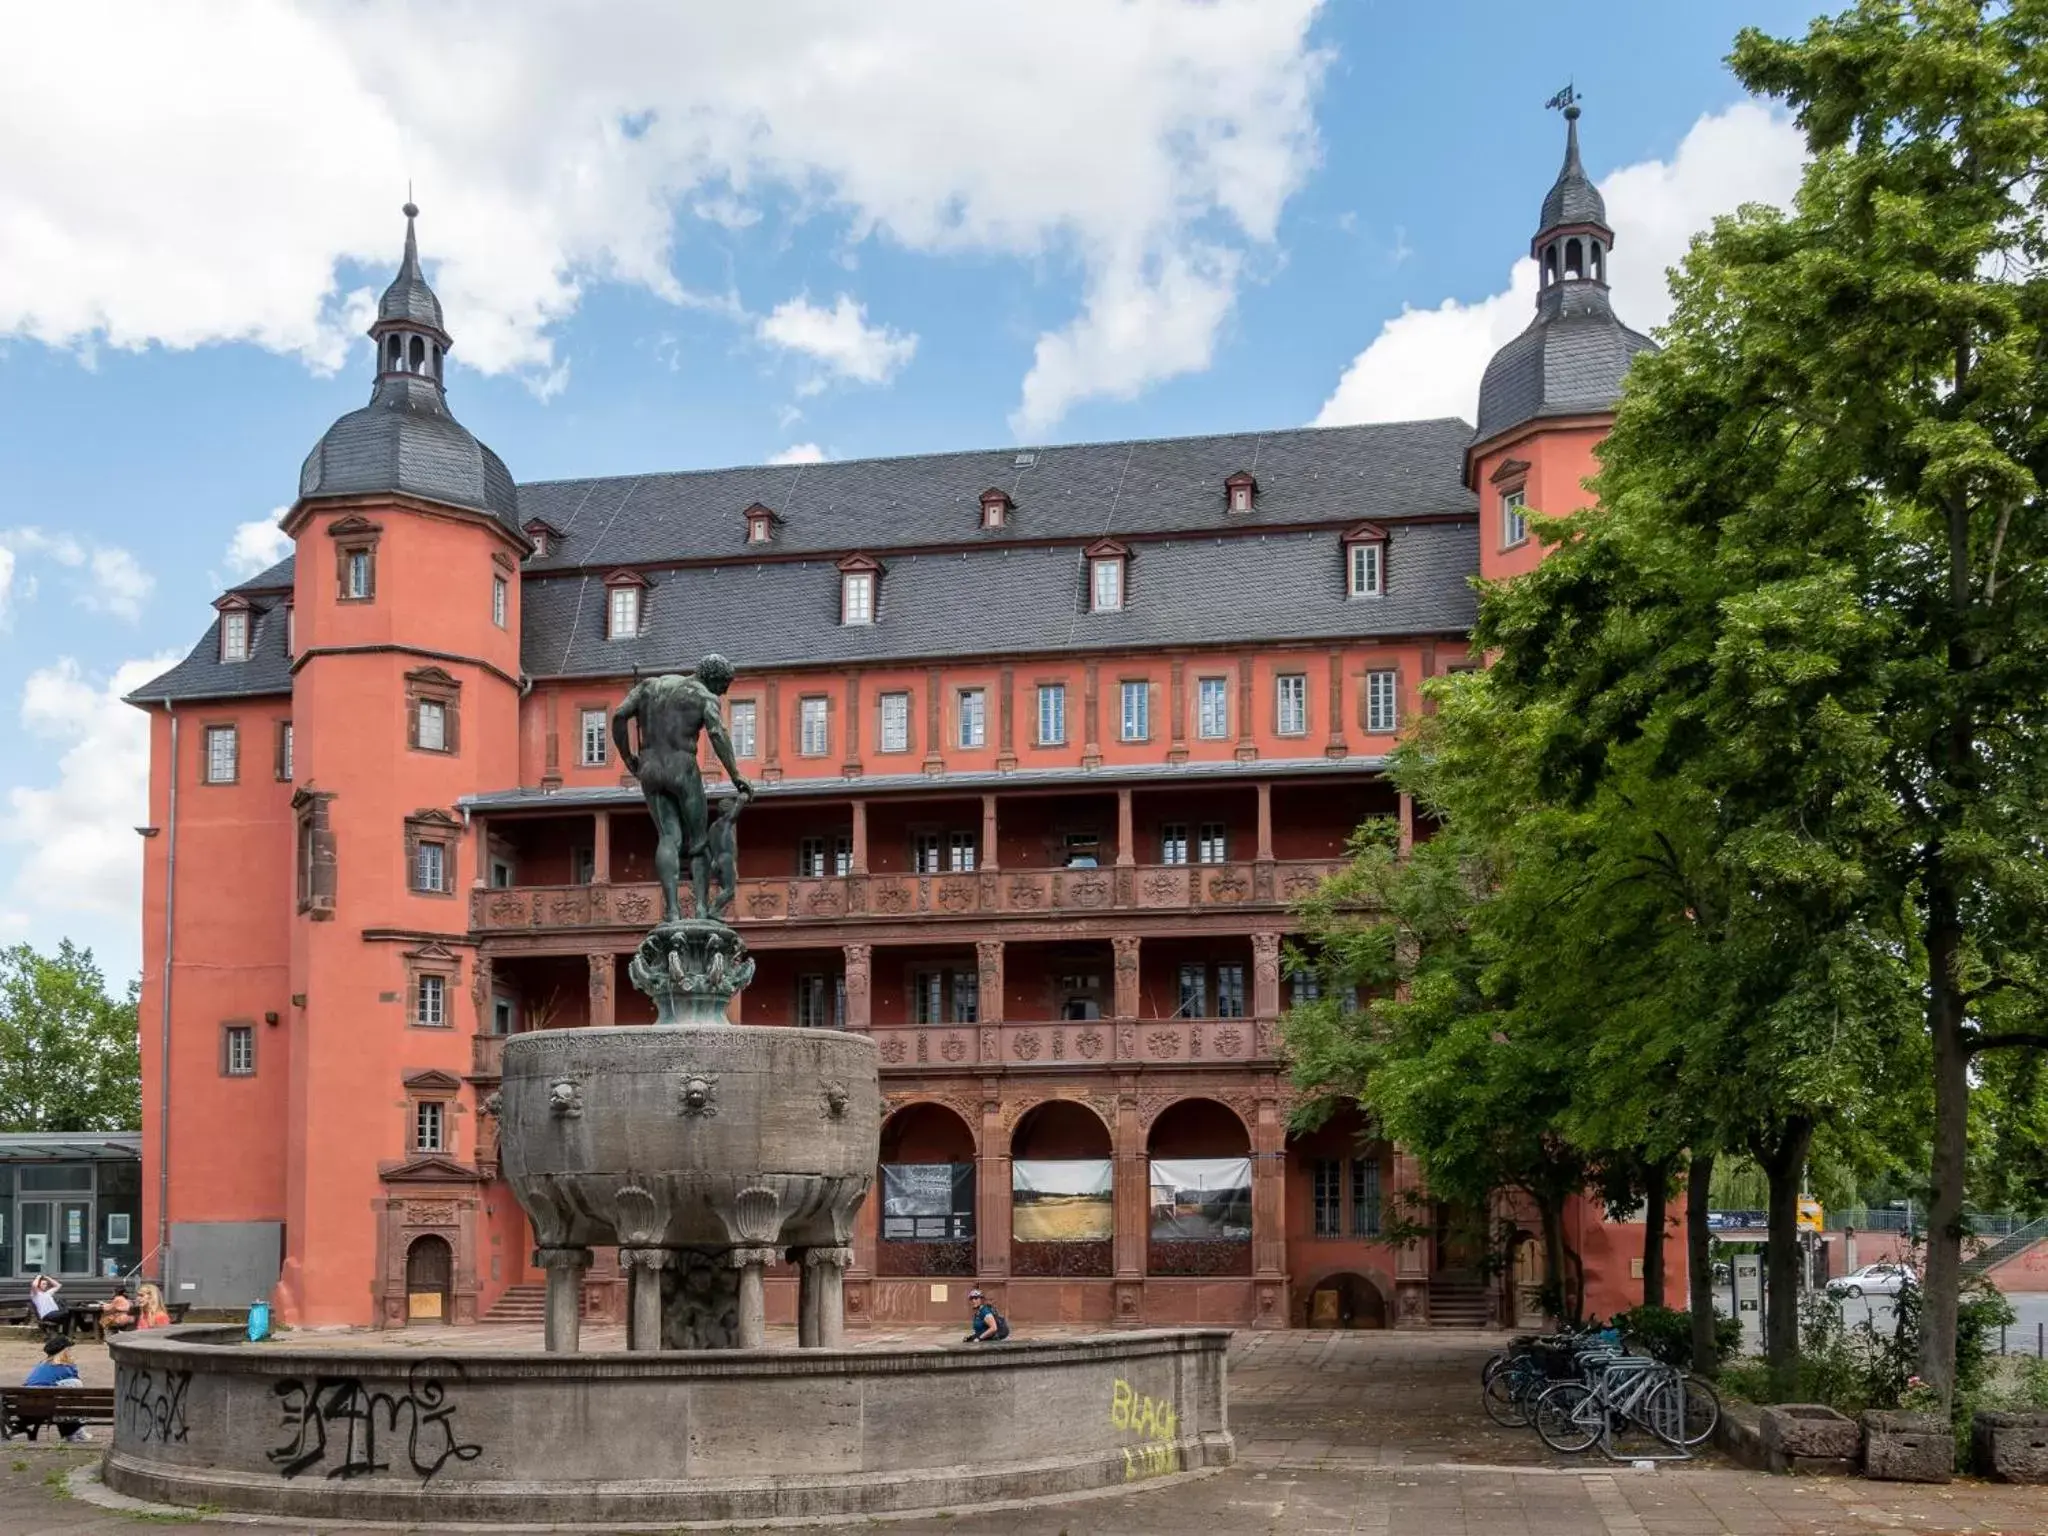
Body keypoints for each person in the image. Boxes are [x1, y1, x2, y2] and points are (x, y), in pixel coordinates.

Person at [611, 655, 754, 924]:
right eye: (724, 684)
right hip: (682, 767)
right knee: (698, 844)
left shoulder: (649, 686)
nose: (724, 691)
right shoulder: (704, 696)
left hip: (650, 767)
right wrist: (736, 775)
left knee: (668, 837)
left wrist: (628, 757)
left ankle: (673, 912)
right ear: (713, 677)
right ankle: (701, 909)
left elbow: (619, 716)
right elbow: (718, 734)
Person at [24, 1336, 89, 1442]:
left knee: (61, 1396)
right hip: (49, 1407)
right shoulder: (66, 1367)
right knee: (73, 1387)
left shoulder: (41, 1365)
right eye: (69, 1349)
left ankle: (73, 1432)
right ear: (64, 1351)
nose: (70, 1352)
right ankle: (75, 1431)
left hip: (27, 1406)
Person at [27, 1274, 66, 1338]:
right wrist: (38, 1277)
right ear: (38, 1284)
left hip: (55, 1313)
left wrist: (47, 1278)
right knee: (67, 1313)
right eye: (43, 1284)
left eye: (46, 1284)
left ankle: (65, 1335)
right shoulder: (35, 1294)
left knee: (70, 1315)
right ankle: (62, 1336)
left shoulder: (48, 1293)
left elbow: (58, 1285)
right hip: (47, 1315)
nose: (45, 1285)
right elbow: (34, 1285)